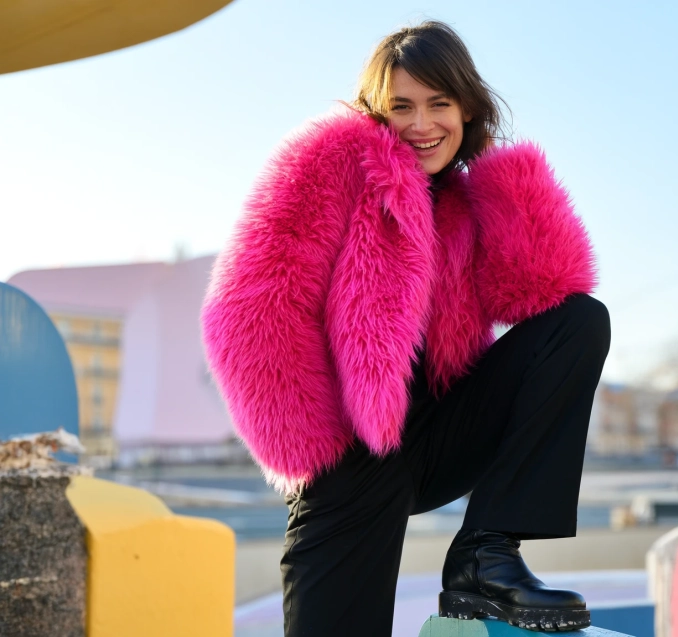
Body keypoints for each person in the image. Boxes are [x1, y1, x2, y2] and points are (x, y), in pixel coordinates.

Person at [202, 20, 610, 636]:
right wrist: (321, 449)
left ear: (467, 107)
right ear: (378, 109)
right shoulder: (334, 159)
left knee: (579, 321)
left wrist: (504, 180)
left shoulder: (465, 200)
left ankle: (486, 552)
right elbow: (249, 307)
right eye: (402, 107)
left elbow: (537, 289)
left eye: (439, 104)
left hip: (437, 432)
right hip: (348, 454)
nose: (422, 124)